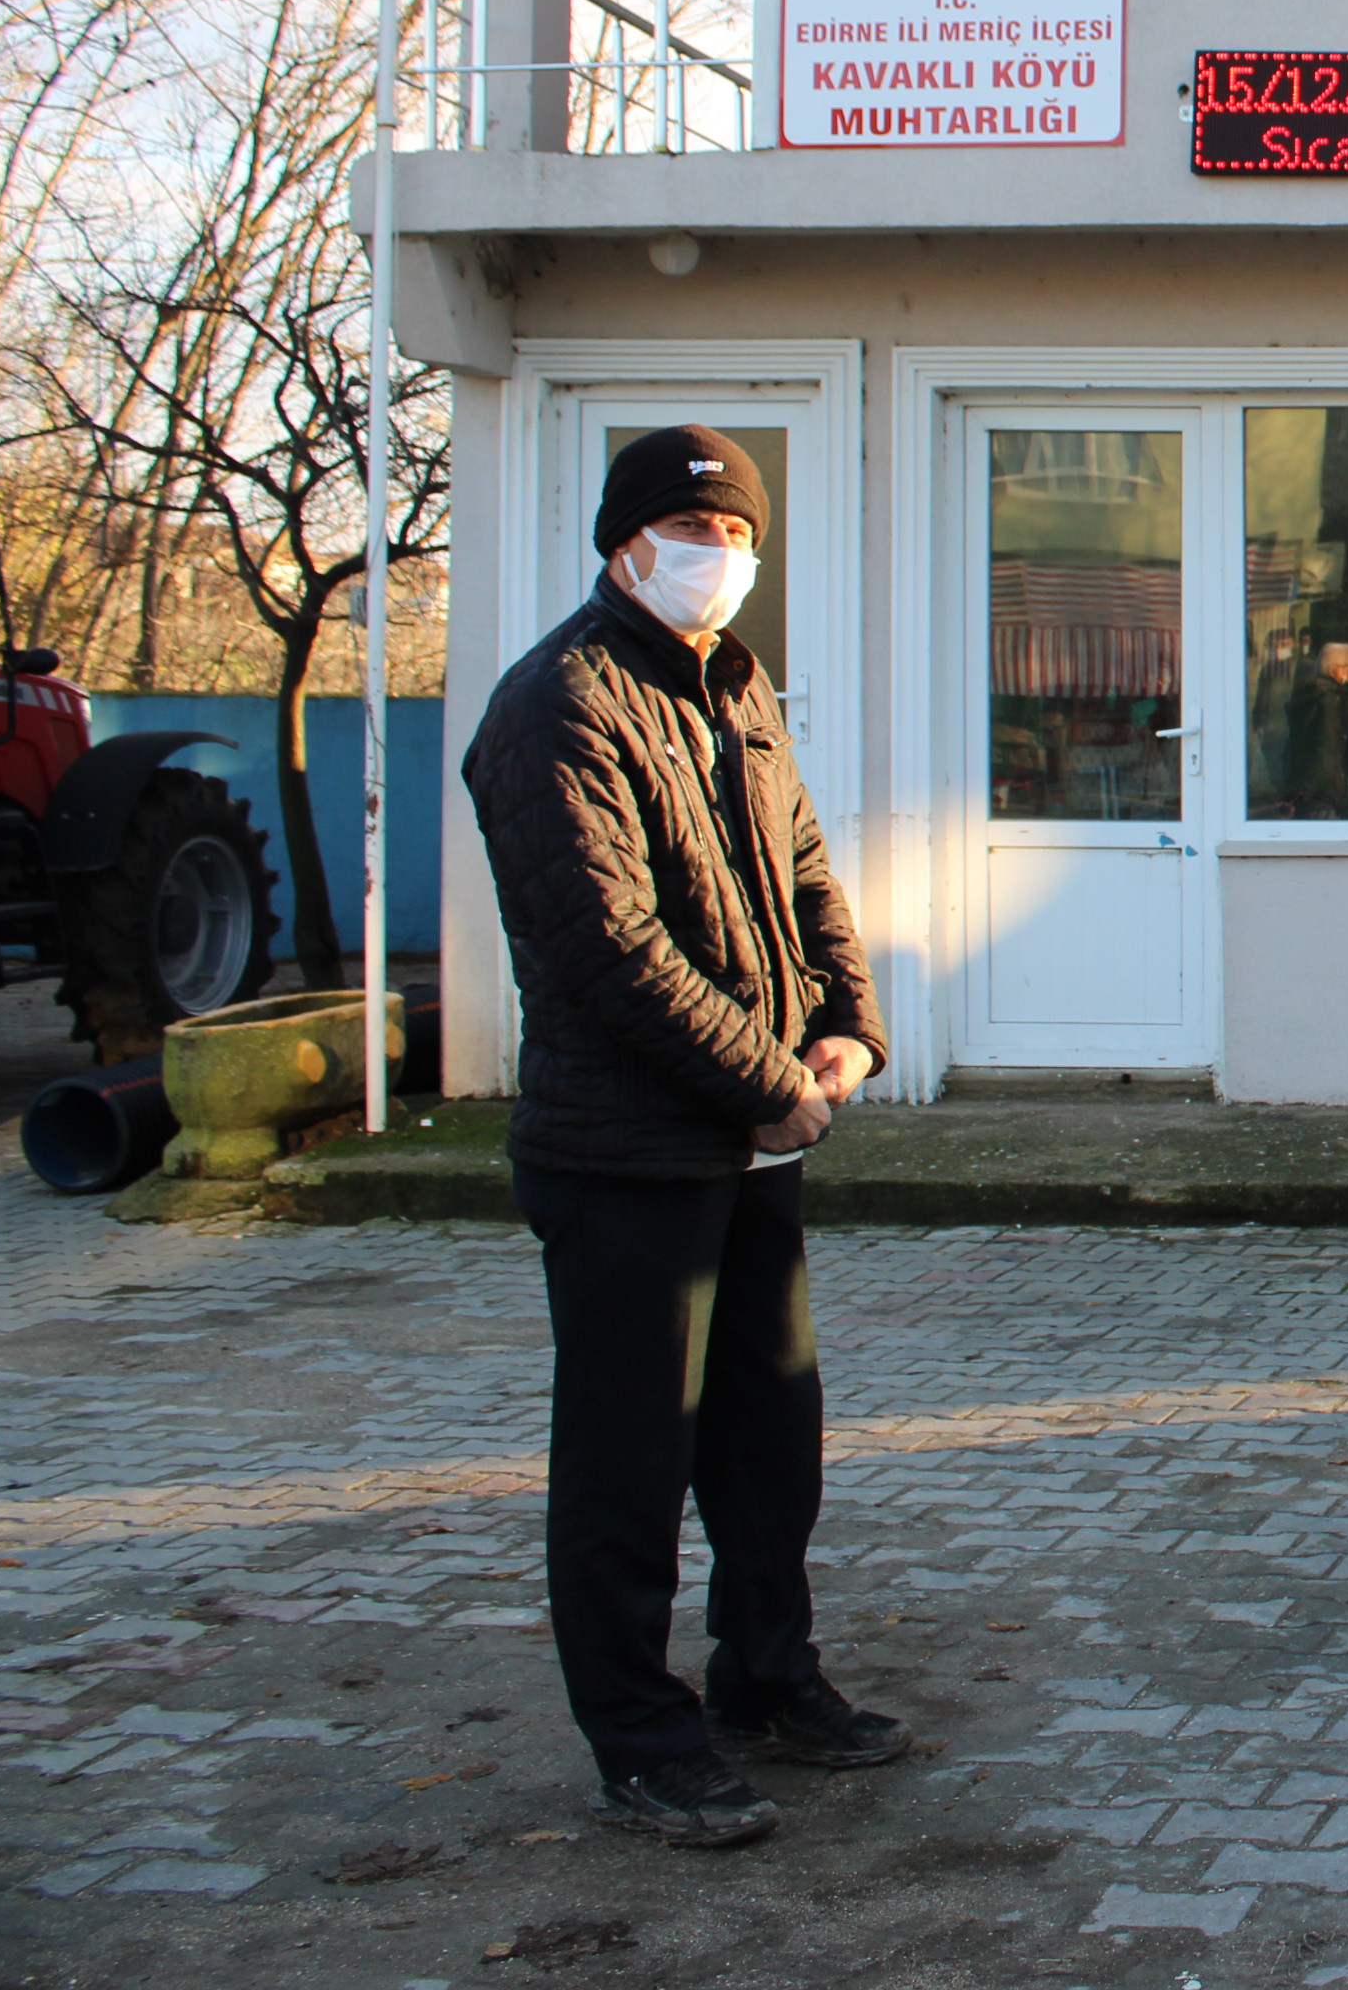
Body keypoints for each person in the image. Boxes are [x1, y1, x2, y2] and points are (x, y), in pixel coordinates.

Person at [461, 425, 899, 1849]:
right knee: (628, 1465)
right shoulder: (556, 709)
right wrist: (765, 1081)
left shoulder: (736, 687)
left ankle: (768, 1681)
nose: (724, 561)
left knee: (772, 1442)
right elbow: (607, 947)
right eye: (698, 536)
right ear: (625, 543)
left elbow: (806, 865)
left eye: (741, 541)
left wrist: (849, 1022)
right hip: (626, 1156)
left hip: (753, 1141)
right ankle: (641, 1742)